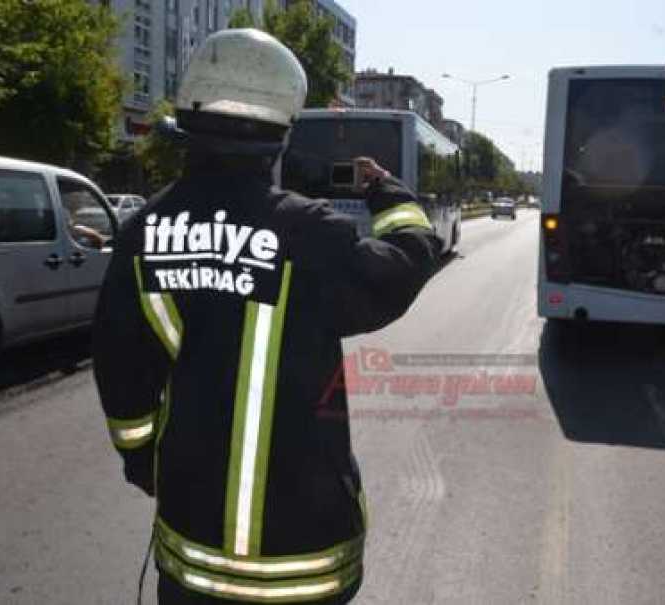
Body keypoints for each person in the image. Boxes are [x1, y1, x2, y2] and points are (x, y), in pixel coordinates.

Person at [92, 29, 439, 604]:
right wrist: (388, 192)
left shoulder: (142, 234)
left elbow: (121, 378)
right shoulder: (309, 231)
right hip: (307, 562)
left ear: (187, 118)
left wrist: (146, 463)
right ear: (282, 132)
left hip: (192, 556)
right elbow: (402, 267)